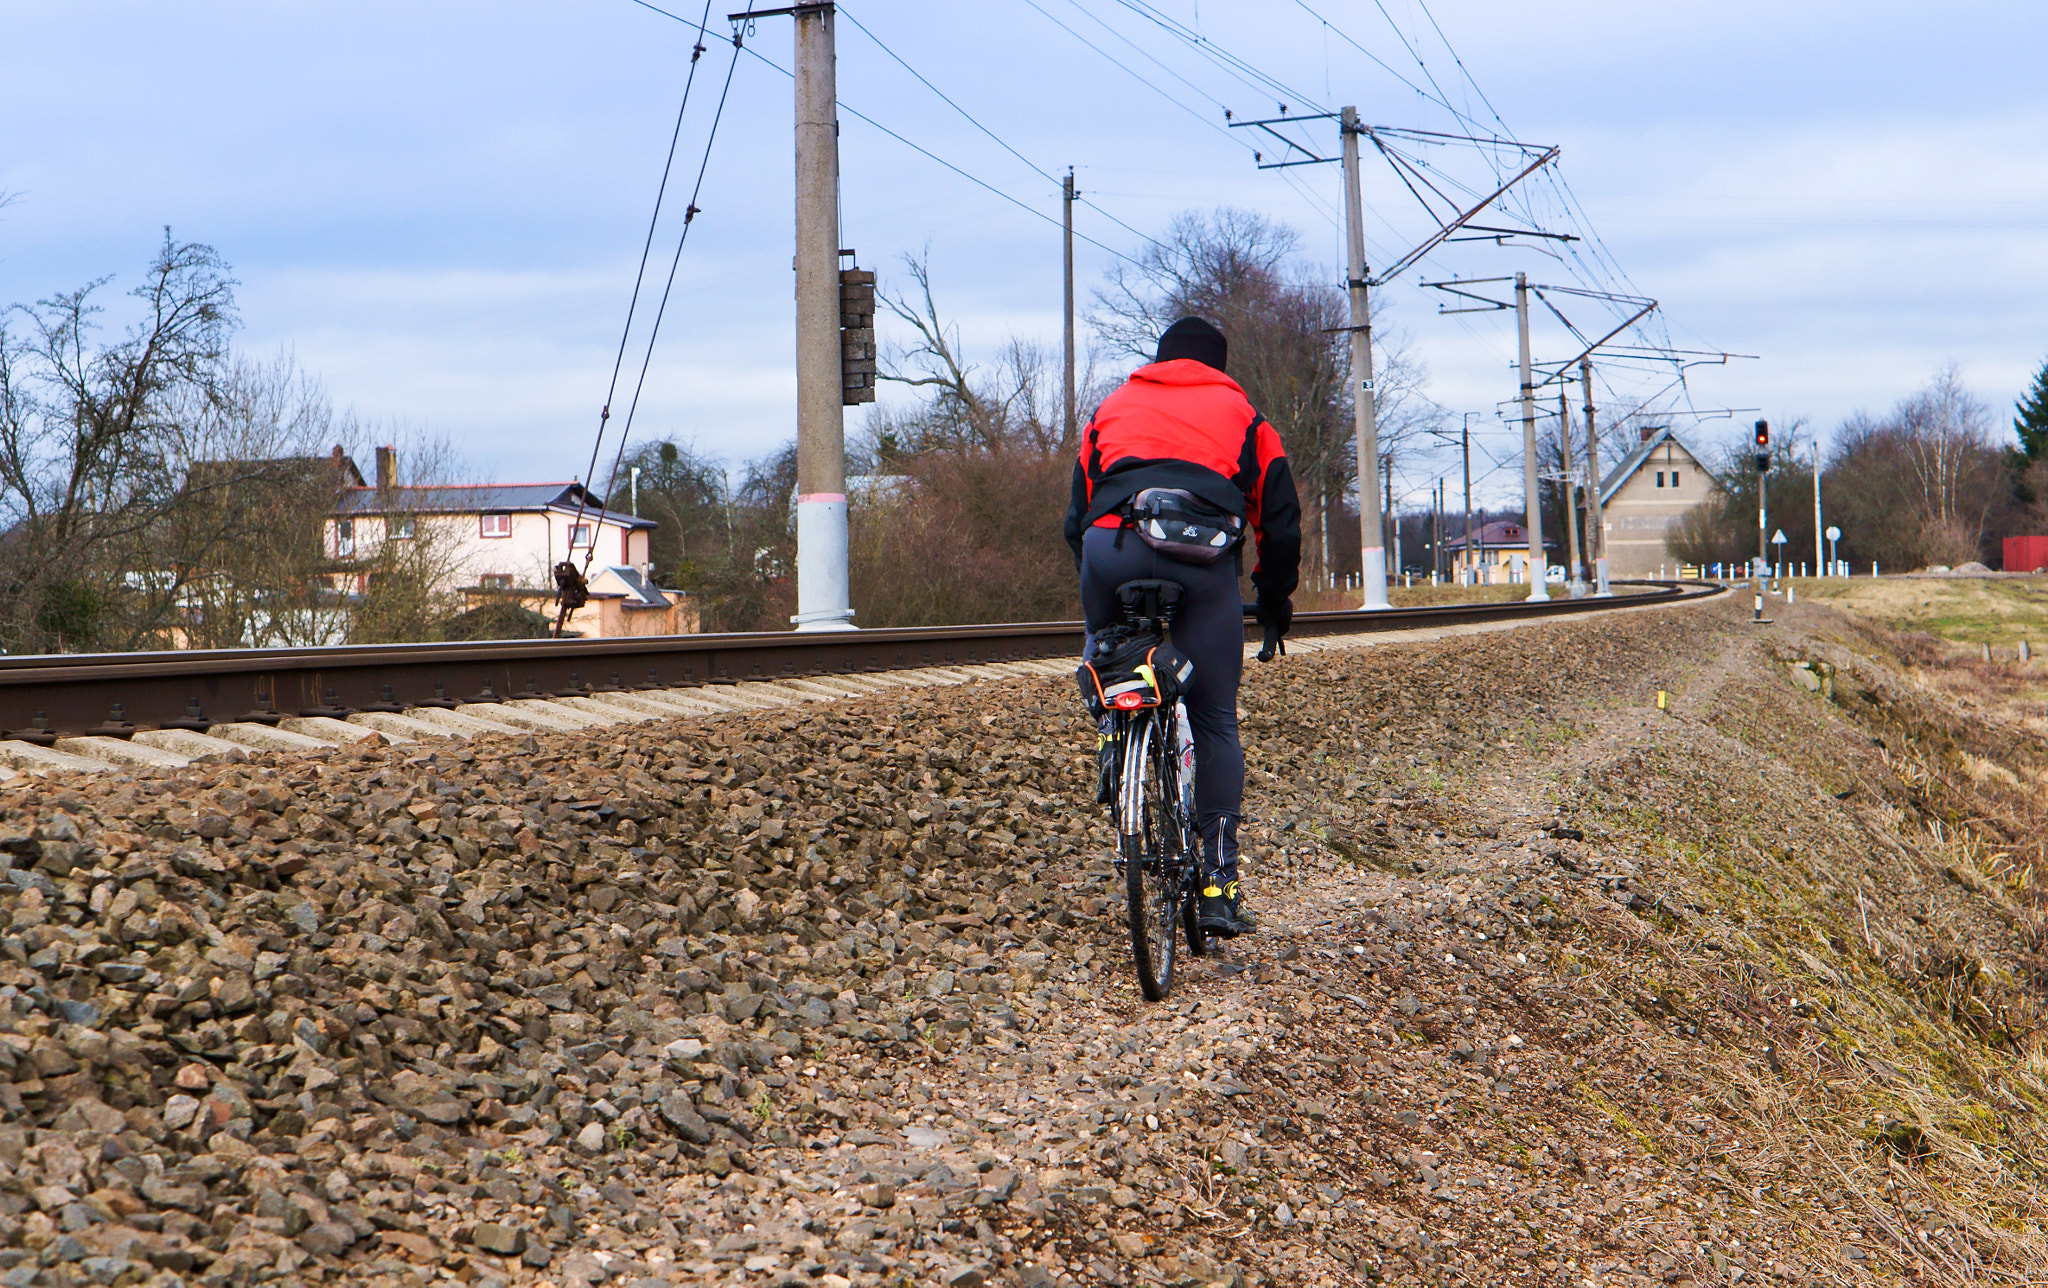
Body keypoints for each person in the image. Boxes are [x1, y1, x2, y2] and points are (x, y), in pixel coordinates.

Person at [1063, 316, 1300, 938]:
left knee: (1106, 651)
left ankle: (1114, 740)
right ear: (1217, 367)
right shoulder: (1247, 420)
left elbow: (1076, 511)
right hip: (1201, 562)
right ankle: (1220, 887)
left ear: (1158, 361)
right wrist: (1273, 601)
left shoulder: (1113, 405)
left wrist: (1103, 576)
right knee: (1216, 716)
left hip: (1110, 546)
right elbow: (1280, 521)